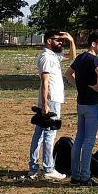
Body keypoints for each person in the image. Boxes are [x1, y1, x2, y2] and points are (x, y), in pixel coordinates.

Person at [27, 30, 76, 181]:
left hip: (52, 100)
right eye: (58, 40)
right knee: (49, 134)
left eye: (62, 41)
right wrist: (45, 104)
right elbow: (44, 82)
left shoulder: (54, 56)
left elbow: (73, 56)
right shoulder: (46, 57)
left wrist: (71, 40)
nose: (61, 42)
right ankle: (48, 168)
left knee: (40, 133)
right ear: (49, 41)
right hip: (51, 100)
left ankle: (34, 168)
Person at [69, 31, 98, 187]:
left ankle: (75, 176)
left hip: (81, 104)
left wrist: (79, 86)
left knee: (79, 139)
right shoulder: (93, 59)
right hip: (92, 105)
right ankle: (85, 177)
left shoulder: (79, 58)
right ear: (93, 44)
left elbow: (68, 74)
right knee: (88, 142)